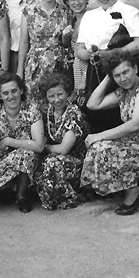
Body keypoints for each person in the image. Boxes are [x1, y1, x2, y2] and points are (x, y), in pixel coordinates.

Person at [80, 53, 139, 216]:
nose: (123, 78)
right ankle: (127, 184)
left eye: (126, 72)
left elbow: (135, 124)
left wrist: (99, 135)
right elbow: (92, 104)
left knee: (104, 149)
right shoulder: (123, 92)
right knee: (97, 148)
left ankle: (134, 188)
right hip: (137, 144)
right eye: (117, 75)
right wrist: (109, 77)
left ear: (135, 69)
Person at [75, 0, 139, 133]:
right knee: (93, 112)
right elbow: (79, 47)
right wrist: (85, 54)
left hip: (119, 70)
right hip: (94, 71)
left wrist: (112, 54)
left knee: (117, 113)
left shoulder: (129, 11)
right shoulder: (89, 16)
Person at [0, 73, 45, 212]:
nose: (11, 96)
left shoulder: (32, 109)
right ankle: (4, 189)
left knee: (25, 154)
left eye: (14, 91)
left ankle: (21, 195)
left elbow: (39, 145)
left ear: (21, 90)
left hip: (26, 159)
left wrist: (10, 141)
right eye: (5, 93)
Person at [33, 73, 87, 210]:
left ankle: (70, 197)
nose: (57, 99)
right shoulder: (46, 111)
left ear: (67, 93)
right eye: (52, 96)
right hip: (53, 157)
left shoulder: (74, 114)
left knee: (51, 162)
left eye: (60, 94)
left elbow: (64, 149)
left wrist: (43, 146)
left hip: (75, 162)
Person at [17, 0, 71, 102]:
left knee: (57, 101)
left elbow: (66, 43)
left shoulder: (66, 11)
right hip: (35, 65)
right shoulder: (28, 11)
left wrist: (66, 36)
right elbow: (24, 42)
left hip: (58, 65)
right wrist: (20, 70)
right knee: (35, 103)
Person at [61, 0, 93, 103]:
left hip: (85, 67)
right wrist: (65, 35)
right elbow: (67, 44)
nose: (76, 2)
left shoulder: (91, 18)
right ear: (67, 2)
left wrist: (85, 78)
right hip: (73, 68)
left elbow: (93, 52)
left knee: (84, 101)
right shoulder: (72, 19)